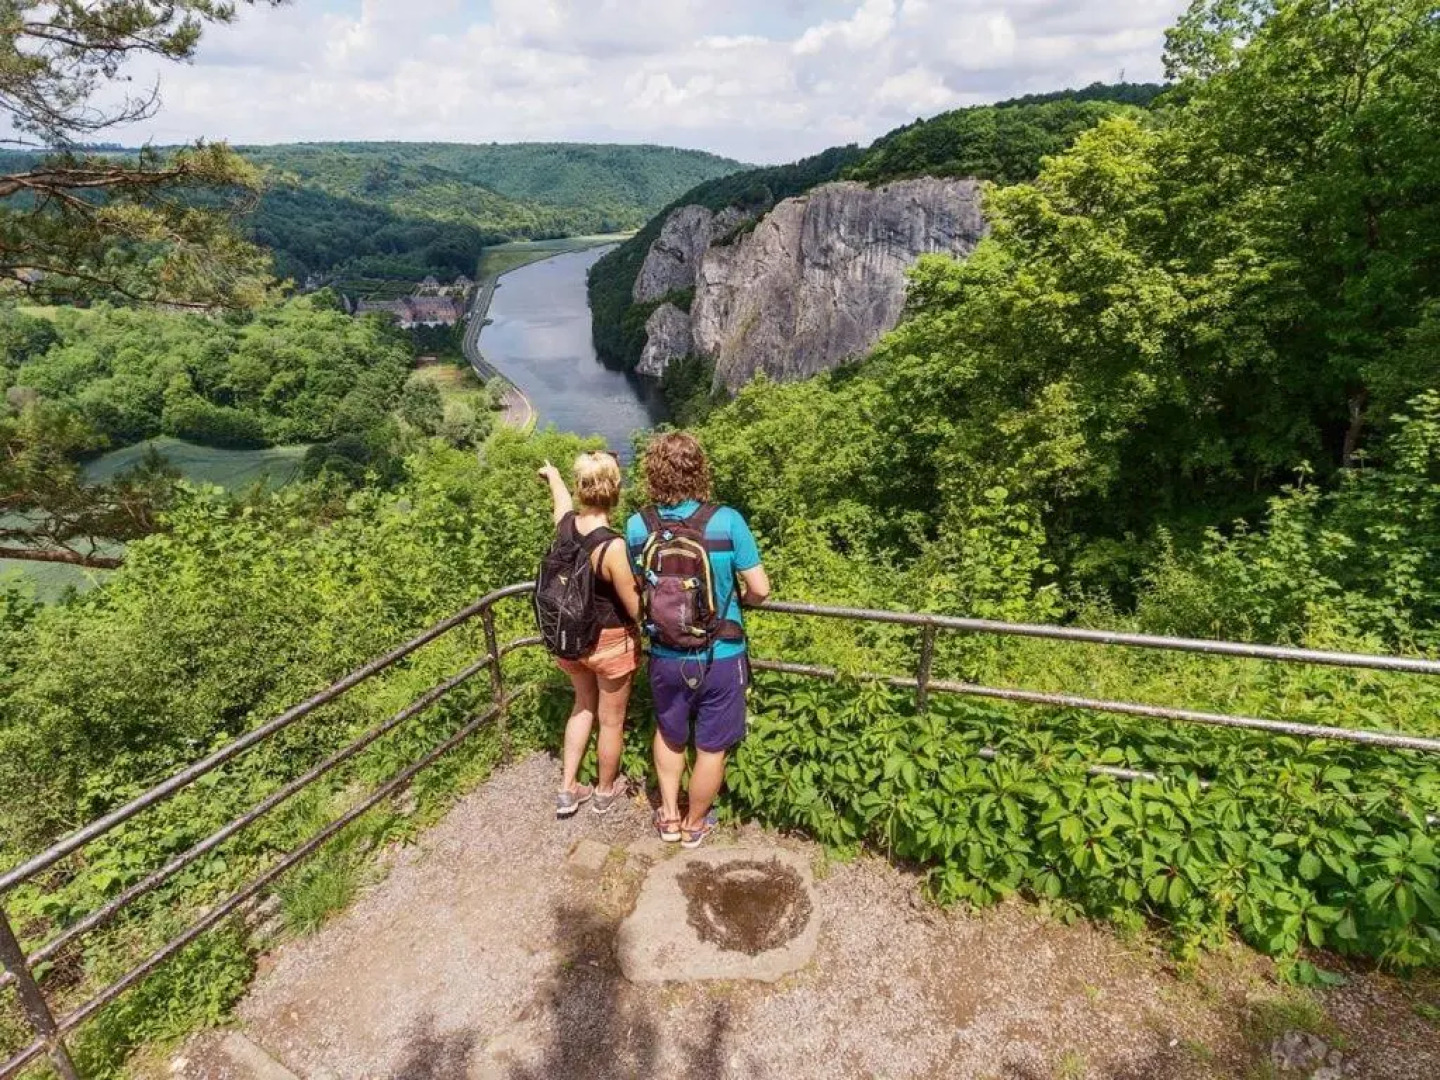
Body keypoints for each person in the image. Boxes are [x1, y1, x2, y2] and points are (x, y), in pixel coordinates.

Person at [627, 432, 770, 848]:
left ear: (653, 473)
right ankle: (695, 824)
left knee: (670, 733)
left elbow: (641, 587)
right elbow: (760, 588)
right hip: (719, 654)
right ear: (700, 470)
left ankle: (669, 817)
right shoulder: (727, 521)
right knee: (712, 746)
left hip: (665, 653)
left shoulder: (639, 525)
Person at [537, 451, 642, 818]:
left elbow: (562, 504)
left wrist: (552, 475)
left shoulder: (565, 527)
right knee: (610, 720)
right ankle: (604, 791)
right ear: (615, 490)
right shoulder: (612, 546)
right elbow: (636, 608)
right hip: (609, 641)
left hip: (570, 637)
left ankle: (568, 790)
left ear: (582, 488)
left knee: (582, 706)